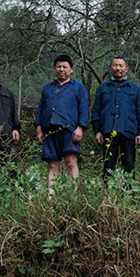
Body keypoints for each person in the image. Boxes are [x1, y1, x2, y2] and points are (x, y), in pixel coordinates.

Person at [34, 55, 89, 185]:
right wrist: (38, 128)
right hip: (49, 130)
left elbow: (84, 108)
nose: (61, 69)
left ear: (71, 69)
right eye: (59, 66)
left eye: (65, 67)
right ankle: (51, 196)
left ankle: (72, 196)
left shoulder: (78, 87)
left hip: (69, 130)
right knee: (53, 164)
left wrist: (80, 127)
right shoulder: (47, 88)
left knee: (70, 162)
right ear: (54, 69)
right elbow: (40, 108)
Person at [91, 57, 140, 180]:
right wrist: (97, 131)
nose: (118, 68)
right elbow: (96, 111)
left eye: (121, 66)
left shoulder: (135, 89)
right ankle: (107, 194)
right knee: (108, 165)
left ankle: (129, 194)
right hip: (108, 131)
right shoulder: (102, 89)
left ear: (126, 69)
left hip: (128, 132)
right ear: (111, 68)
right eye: (115, 65)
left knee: (129, 164)